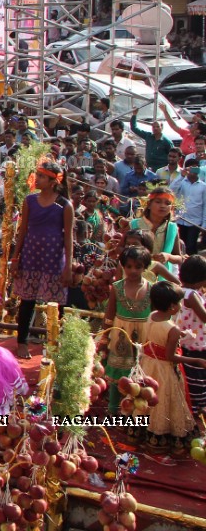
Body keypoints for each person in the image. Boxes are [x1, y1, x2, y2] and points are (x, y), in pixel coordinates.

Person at [10, 161, 74, 359]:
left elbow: (68, 236)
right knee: (27, 300)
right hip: (31, 256)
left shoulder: (64, 205)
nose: (36, 179)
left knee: (56, 304)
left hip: (54, 258)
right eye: (36, 175)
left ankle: (56, 344)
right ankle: (22, 342)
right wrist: (16, 256)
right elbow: (23, 230)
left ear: (53, 181)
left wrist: (69, 266)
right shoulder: (29, 200)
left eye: (42, 176)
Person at [138, 281, 197, 450]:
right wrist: (196, 361)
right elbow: (171, 356)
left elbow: (157, 338)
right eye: (178, 303)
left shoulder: (152, 316)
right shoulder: (172, 329)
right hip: (164, 370)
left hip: (149, 365)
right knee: (164, 399)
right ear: (172, 307)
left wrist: (180, 334)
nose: (180, 306)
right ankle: (162, 434)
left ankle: (143, 431)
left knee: (147, 397)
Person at [103, 245, 152, 413]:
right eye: (129, 266)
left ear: (145, 267)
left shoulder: (152, 288)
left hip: (144, 337)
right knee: (118, 372)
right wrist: (104, 337)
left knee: (139, 374)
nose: (133, 271)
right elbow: (109, 314)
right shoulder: (117, 287)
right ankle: (113, 408)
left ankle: (134, 412)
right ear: (123, 266)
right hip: (120, 335)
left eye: (138, 267)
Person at [130, 186, 183, 281]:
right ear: (149, 204)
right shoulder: (133, 224)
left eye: (167, 203)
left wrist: (168, 256)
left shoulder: (172, 228)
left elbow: (179, 257)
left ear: (171, 208)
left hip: (162, 277)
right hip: (136, 274)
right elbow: (121, 249)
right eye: (158, 202)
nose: (162, 206)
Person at [175, 255, 206, 416]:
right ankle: (194, 416)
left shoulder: (180, 290)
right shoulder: (192, 295)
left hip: (186, 344)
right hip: (196, 346)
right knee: (197, 385)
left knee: (190, 382)